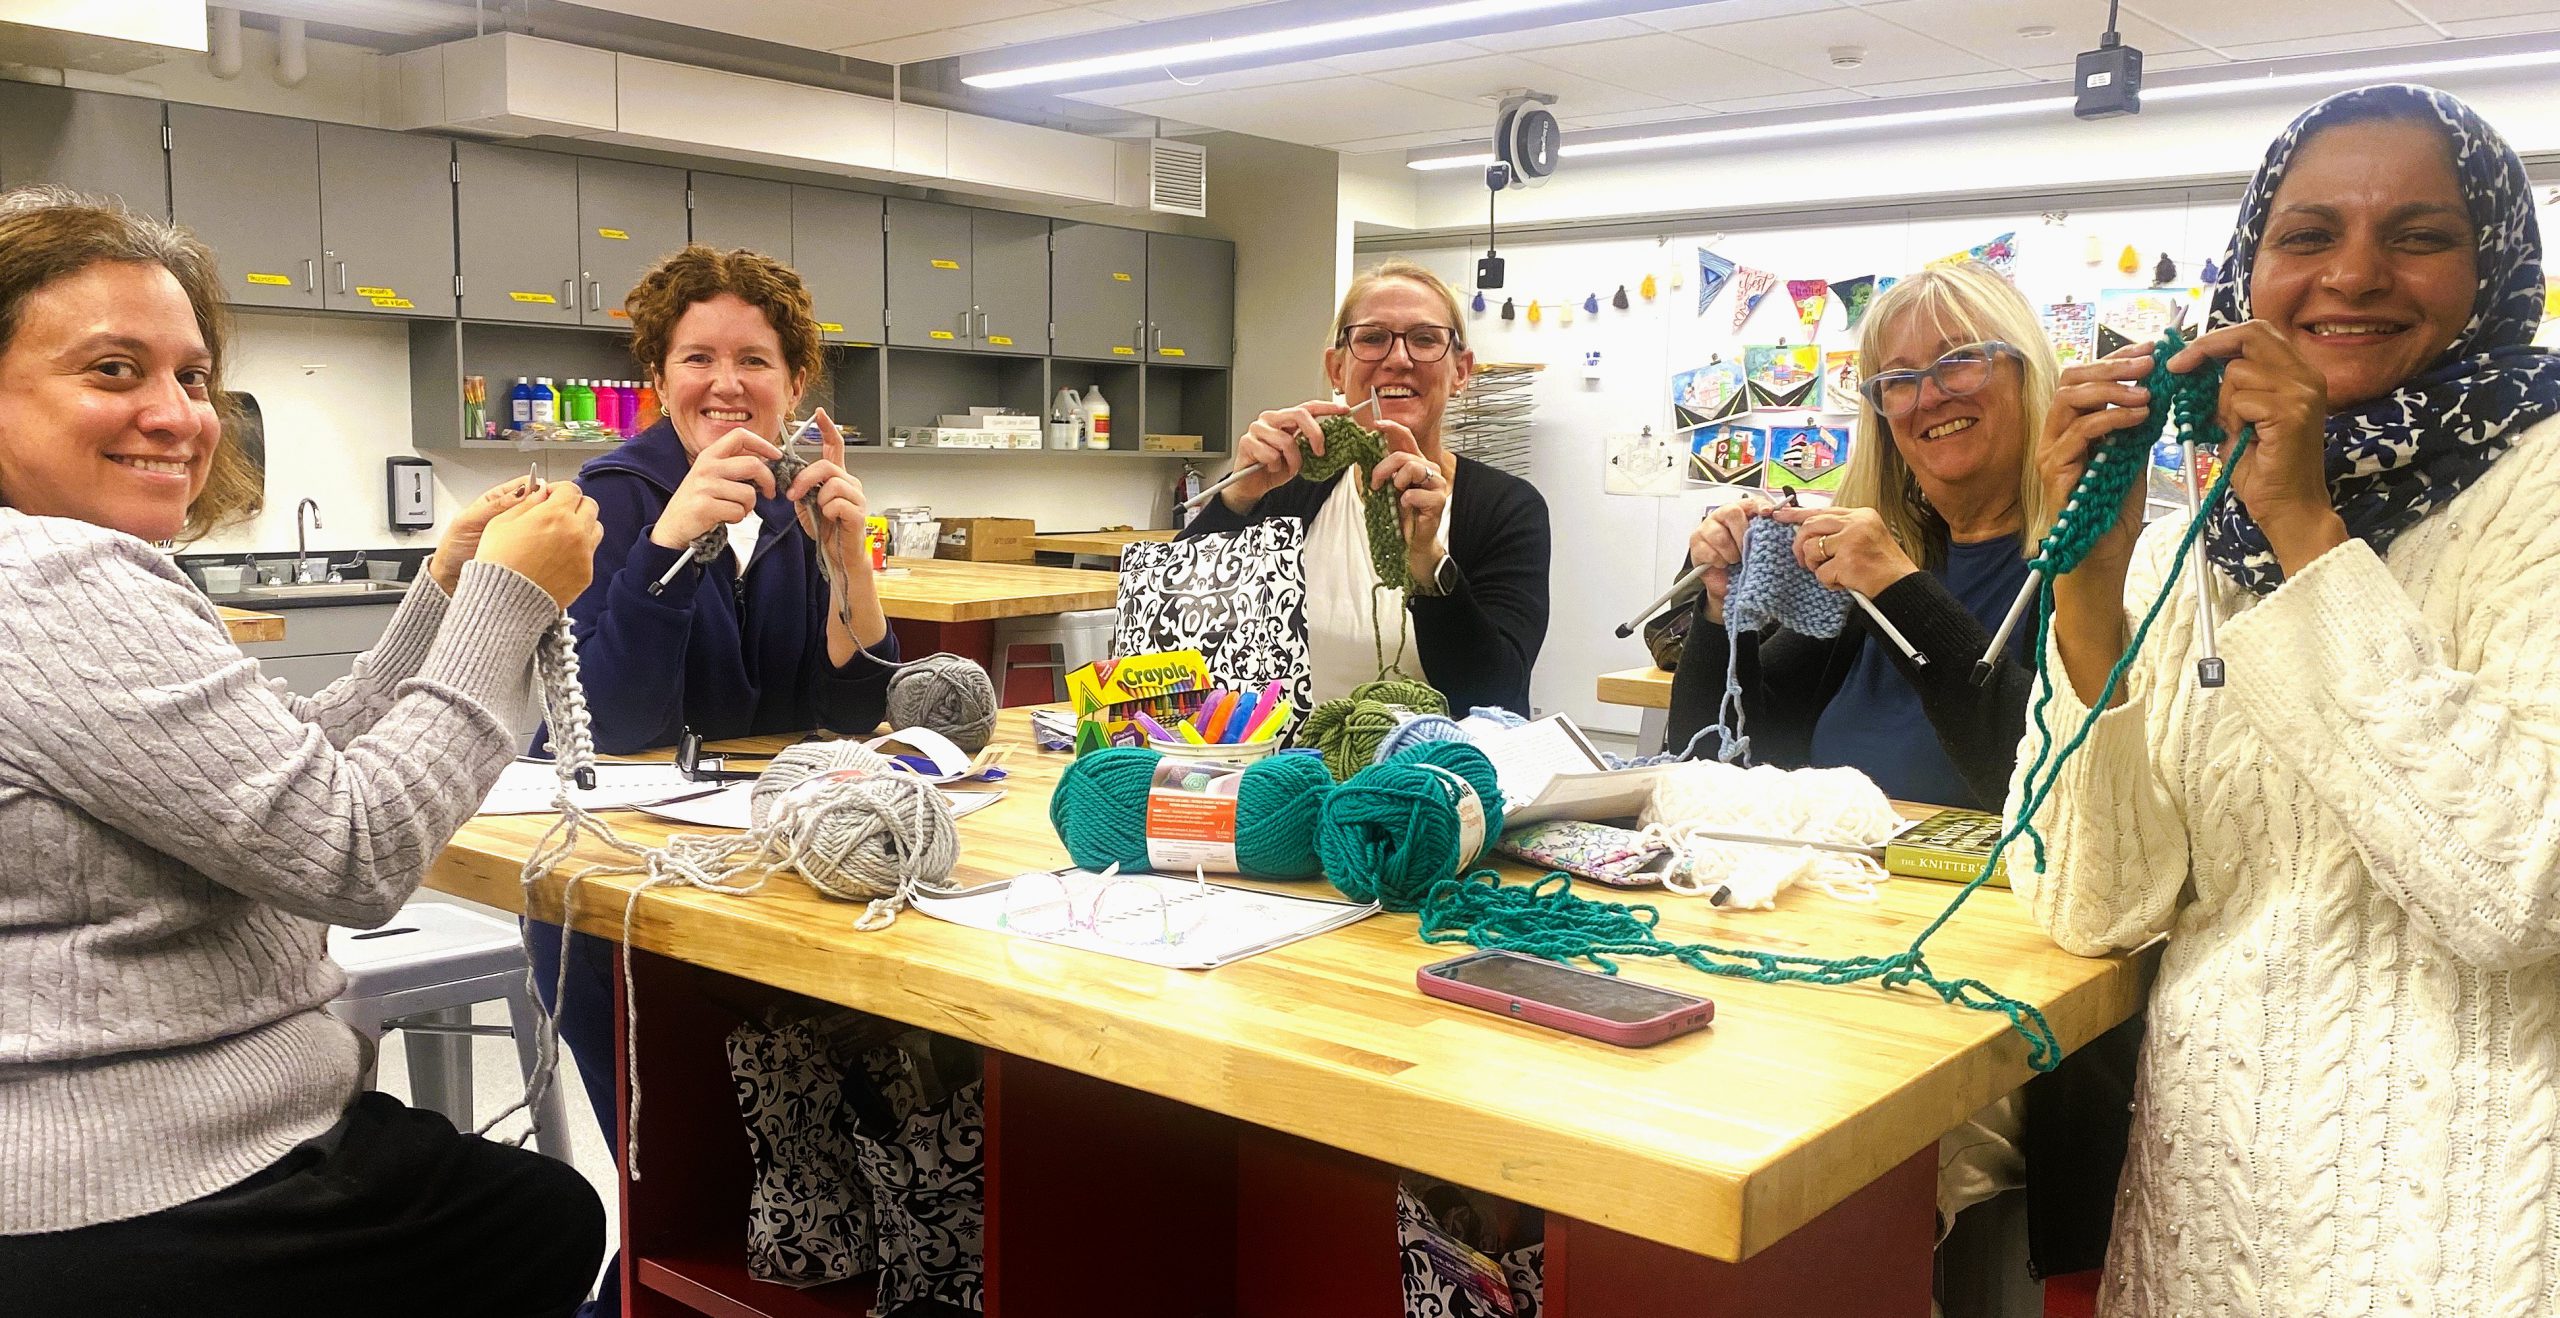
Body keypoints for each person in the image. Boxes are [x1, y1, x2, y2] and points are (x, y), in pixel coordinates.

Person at [0, 187, 607, 1314]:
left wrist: (444, 596)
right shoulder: (48, 580)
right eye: (113, 371)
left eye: (191, 376)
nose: (179, 414)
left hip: (98, 1158)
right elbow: (351, 851)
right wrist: (510, 601)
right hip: (137, 1182)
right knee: (548, 1216)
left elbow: (269, 776)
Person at [2019, 84, 2560, 1314]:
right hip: (2207, 1211)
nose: (2352, 276)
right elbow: (2095, 905)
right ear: (2247, 268)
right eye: (2306, 235)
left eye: (2417, 235)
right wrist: (2090, 605)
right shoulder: (2188, 545)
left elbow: (2515, 891)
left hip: (2468, 1231)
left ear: (2493, 268)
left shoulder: (2542, 490)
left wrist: (2306, 524)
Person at [542, 243, 899, 1317]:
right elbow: (612, 722)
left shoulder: (789, 507)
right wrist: (669, 541)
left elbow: (844, 714)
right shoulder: (606, 500)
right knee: (688, 1190)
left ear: (796, 384)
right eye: (697, 357)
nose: (726, 383)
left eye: (755, 359)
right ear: (659, 377)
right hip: (617, 900)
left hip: (755, 886)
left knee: (786, 1181)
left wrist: (849, 559)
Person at [1662, 259, 2052, 811]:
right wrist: (1721, 610)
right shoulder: (1865, 579)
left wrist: (1902, 590)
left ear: (2027, 372)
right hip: (1838, 889)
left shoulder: (2090, 569)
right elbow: (1712, 763)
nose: (1929, 396)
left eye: (1960, 359)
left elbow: (2050, 783)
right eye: (1898, 380)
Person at [1181, 260, 1550, 713]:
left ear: (1461, 371)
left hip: (1434, 775)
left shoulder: (1506, 509)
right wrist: (1236, 499)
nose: (1398, 359)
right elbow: (1180, 632)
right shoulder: (1288, 488)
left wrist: (1428, 566)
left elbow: (1495, 694)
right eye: (1373, 339)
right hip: (1292, 772)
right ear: (1337, 369)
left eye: (1425, 339)